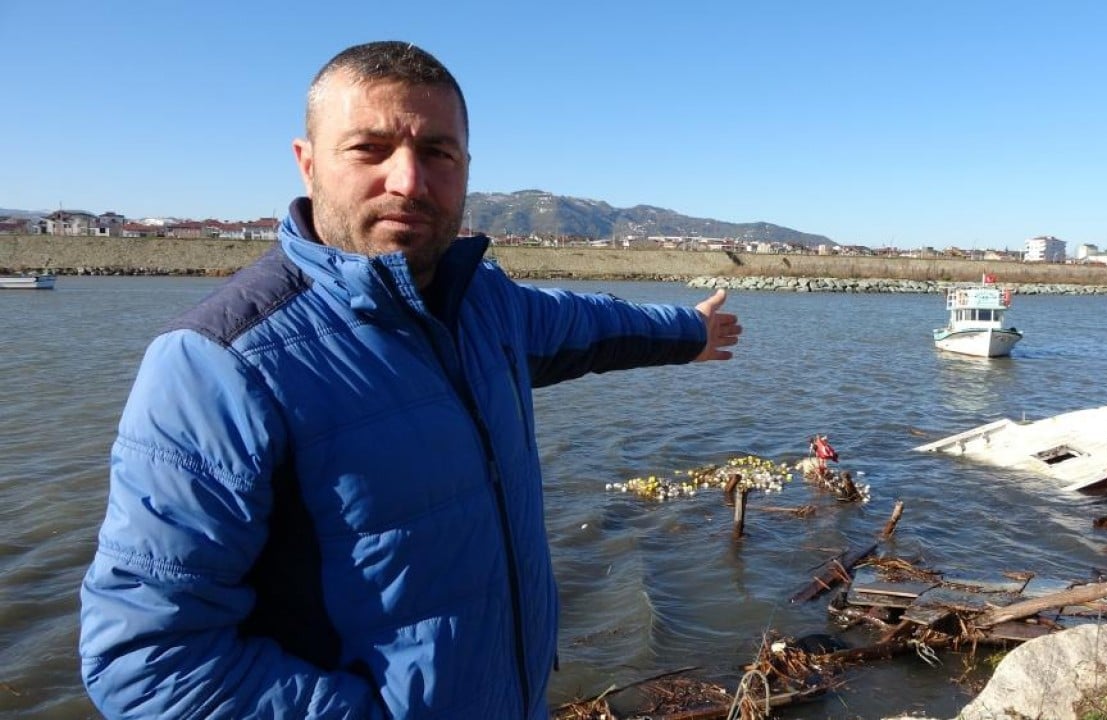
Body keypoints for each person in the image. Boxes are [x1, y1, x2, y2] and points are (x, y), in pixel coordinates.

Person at [79, 40, 741, 719]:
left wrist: (690, 332)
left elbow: (588, 326)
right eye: (368, 149)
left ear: (465, 168)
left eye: (437, 153)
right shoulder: (219, 364)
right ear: (307, 164)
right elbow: (145, 661)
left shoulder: (485, 305)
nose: (409, 181)